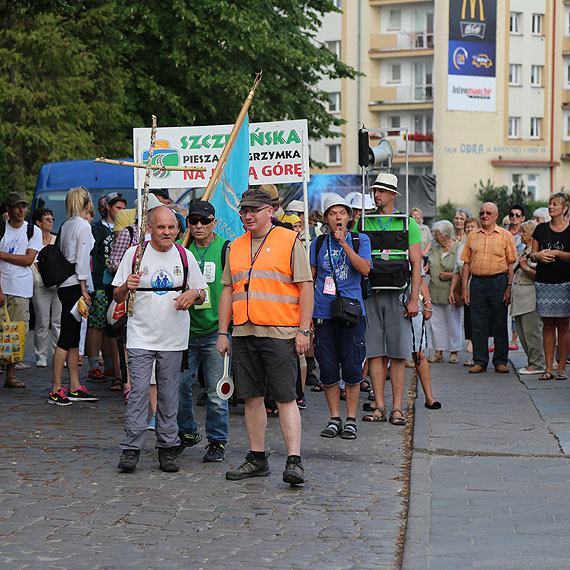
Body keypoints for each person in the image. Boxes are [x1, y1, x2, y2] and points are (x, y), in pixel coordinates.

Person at [217, 188, 313, 485]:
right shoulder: (235, 245)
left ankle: (294, 461)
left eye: (253, 210)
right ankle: (256, 458)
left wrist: (304, 330)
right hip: (245, 331)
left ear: (269, 211)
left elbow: (305, 286)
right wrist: (223, 332)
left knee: (286, 398)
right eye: (244, 211)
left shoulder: (288, 240)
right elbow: (227, 290)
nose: (247, 216)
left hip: (281, 332)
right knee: (251, 398)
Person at [113, 206, 207, 473]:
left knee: (168, 395)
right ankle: (131, 449)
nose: (167, 232)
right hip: (140, 336)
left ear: (178, 229)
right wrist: (126, 286)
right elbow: (117, 296)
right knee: (139, 394)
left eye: (172, 227)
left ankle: (167, 448)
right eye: (161, 227)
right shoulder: (135, 255)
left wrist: (193, 296)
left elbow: (202, 292)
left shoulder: (184, 255)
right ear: (150, 228)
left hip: (174, 339)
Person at [359, 173, 422, 426]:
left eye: (383, 191)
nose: (377, 194)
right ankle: (379, 406)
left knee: (397, 353)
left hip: (399, 294)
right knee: (374, 353)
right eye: (375, 190)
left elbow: (416, 264)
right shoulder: (362, 222)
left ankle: (397, 408)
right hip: (371, 295)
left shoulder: (408, 223)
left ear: (393, 195)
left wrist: (415, 299)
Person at [310, 195, 371, 440]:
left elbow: (365, 269)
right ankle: (335, 417)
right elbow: (311, 277)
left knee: (353, 367)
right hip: (324, 313)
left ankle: (351, 419)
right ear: (326, 219)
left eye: (342, 213)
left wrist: (344, 244)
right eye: (333, 213)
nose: (338, 217)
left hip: (351, 313)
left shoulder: (360, 240)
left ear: (349, 217)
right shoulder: (318, 243)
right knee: (327, 368)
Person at [177, 201, 230, 463]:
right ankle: (187, 432)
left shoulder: (225, 249)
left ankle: (217, 442)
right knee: (179, 386)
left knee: (216, 392)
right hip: (184, 331)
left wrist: (226, 329)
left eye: (204, 221)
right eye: (193, 221)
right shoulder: (181, 249)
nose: (198, 226)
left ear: (214, 223)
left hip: (214, 332)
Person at [48, 187, 98, 405]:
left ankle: (74, 386)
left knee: (73, 335)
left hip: (65, 284)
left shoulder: (66, 224)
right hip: (75, 284)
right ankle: (57, 388)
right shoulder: (83, 226)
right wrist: (84, 289)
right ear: (87, 204)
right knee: (67, 337)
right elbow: (82, 260)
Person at [461, 202, 517, 373]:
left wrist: (509, 287)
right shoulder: (472, 236)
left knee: (500, 321)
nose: (484, 215)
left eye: (488, 213)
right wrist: (464, 288)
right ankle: (480, 361)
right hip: (477, 282)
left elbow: (510, 264)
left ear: (496, 216)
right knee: (477, 323)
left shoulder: (505, 235)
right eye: (482, 212)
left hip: (499, 281)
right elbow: (466, 264)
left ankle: (500, 361)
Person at [0, 192, 43, 389]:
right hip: (3, 284)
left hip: (20, 288)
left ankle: (11, 374)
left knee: (17, 333)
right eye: (17, 206)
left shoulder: (32, 231)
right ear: (8, 209)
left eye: (24, 206)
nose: (22, 210)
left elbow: (28, 259)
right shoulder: (2, 228)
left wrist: (1, 254)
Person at [86, 192, 126, 381]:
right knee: (97, 324)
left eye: (123, 208)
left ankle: (112, 366)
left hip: (118, 284)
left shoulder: (125, 228)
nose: (121, 211)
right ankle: (94, 365)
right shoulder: (97, 228)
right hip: (101, 282)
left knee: (113, 325)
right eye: (118, 207)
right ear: (108, 207)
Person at [530, 192, 570, 381]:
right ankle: (549, 368)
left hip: (565, 283)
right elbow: (532, 254)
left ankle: (561, 367)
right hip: (544, 282)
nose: (551, 207)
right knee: (547, 325)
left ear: (565, 208)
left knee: (563, 326)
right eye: (550, 204)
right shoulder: (540, 229)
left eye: (555, 204)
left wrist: (556, 253)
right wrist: (537, 256)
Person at [427, 220, 462, 364]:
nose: (435, 237)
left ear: (446, 235)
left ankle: (454, 352)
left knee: (453, 322)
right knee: (436, 324)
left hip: (451, 292)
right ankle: (438, 352)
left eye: (437, 235)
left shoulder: (458, 248)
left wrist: (450, 275)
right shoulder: (435, 249)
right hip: (434, 291)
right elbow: (431, 264)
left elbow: (461, 269)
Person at [512, 220, 545, 375]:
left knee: (532, 332)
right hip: (519, 298)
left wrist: (525, 267)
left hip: (530, 297)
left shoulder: (535, 252)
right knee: (523, 332)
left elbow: (540, 276)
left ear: (532, 234)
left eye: (524, 232)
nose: (520, 234)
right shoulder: (525, 249)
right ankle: (532, 362)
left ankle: (537, 363)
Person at [31, 208, 62, 368]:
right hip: (40, 284)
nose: (50, 221)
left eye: (51, 218)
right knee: (42, 321)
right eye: (47, 219)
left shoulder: (57, 239)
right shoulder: (33, 241)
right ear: (38, 222)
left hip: (57, 285)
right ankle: (40, 355)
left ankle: (58, 354)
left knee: (57, 322)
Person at [449, 217, 481, 365]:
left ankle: (481, 356)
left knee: (480, 322)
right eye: (467, 227)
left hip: (480, 286)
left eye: (472, 226)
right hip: (466, 288)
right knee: (469, 322)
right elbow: (457, 270)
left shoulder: (481, 243)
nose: (468, 229)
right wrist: (452, 291)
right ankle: (475, 355)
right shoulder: (461, 246)